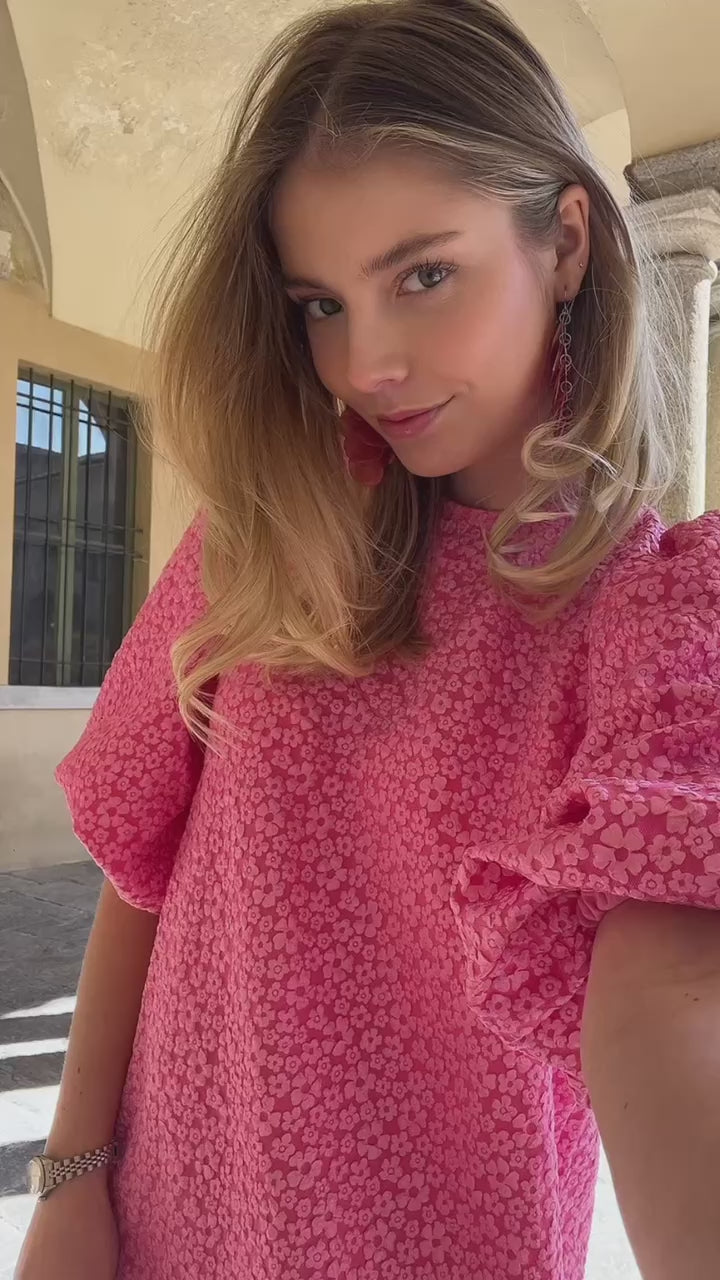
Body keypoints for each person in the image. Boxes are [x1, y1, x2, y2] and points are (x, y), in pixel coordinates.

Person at [16, 1, 720, 1278]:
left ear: (565, 241)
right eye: (321, 304)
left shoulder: (647, 622)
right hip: (176, 1209)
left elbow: (671, 998)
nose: (370, 362)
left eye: (423, 275)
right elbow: (142, 872)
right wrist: (70, 1177)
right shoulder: (271, 531)